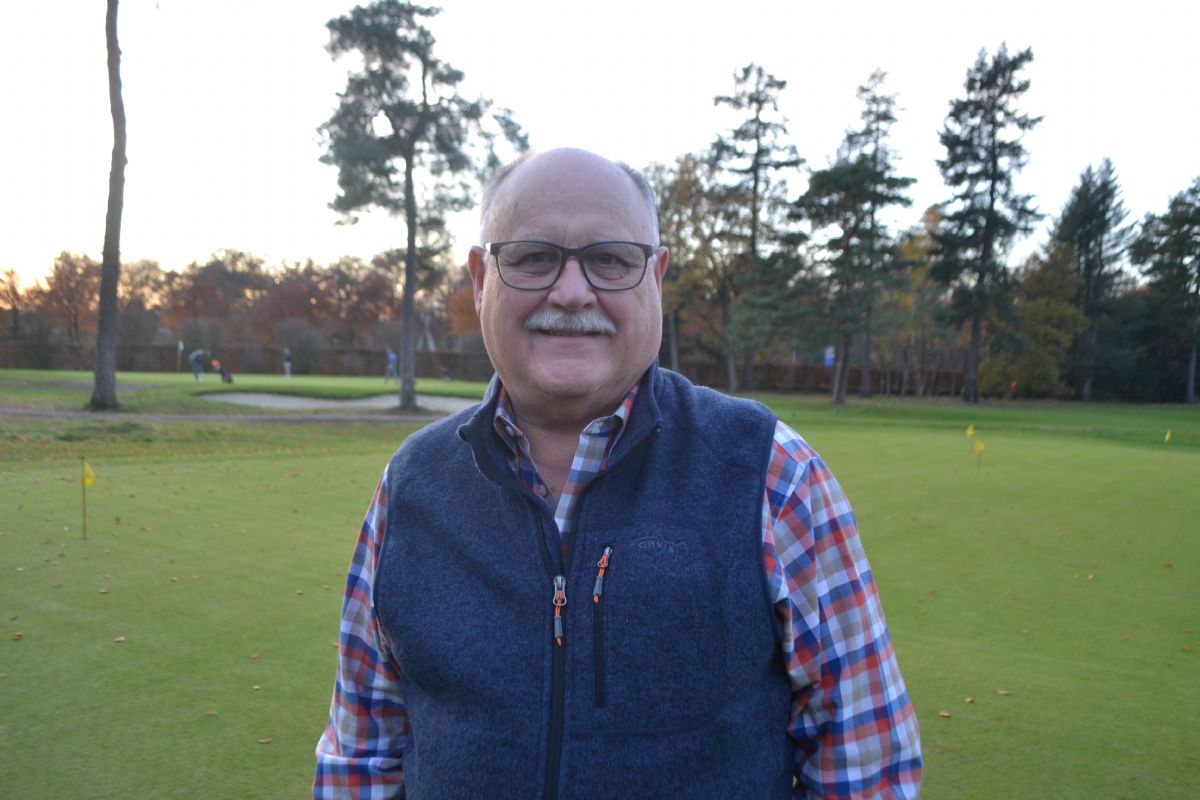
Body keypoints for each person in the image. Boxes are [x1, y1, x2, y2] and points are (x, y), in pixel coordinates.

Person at [314, 148, 922, 799]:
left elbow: (865, 771)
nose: (571, 292)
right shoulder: (411, 487)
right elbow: (360, 758)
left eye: (610, 259)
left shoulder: (772, 474)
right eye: (533, 257)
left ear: (655, 277)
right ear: (481, 279)